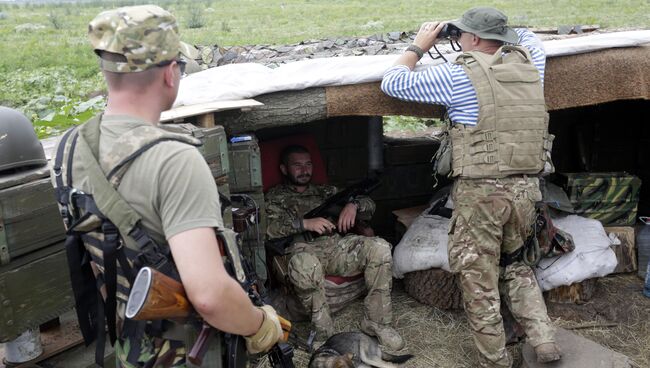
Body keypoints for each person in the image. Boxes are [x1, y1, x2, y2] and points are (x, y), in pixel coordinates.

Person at [50, 5, 282, 367]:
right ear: (171, 73)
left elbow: (95, 252)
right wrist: (259, 324)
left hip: (133, 348)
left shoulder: (70, 148)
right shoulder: (175, 160)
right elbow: (209, 296)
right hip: (191, 352)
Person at [381, 6, 560, 368]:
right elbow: (525, 36)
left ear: (475, 39)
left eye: (462, 34)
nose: (458, 39)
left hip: (482, 195)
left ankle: (495, 360)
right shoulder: (531, 64)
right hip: (526, 191)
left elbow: (393, 82)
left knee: (478, 280)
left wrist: (419, 45)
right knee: (517, 265)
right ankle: (544, 342)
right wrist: (492, 30)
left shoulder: (458, 76)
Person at [265, 145, 404, 350]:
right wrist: (303, 224)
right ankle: (324, 333)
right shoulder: (274, 197)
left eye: (308, 164)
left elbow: (370, 206)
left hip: (335, 247)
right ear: (284, 169)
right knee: (306, 266)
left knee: (380, 248)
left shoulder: (326, 191)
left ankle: (377, 322)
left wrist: (354, 205)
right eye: (297, 165)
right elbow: (265, 228)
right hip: (301, 251)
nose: (305, 170)